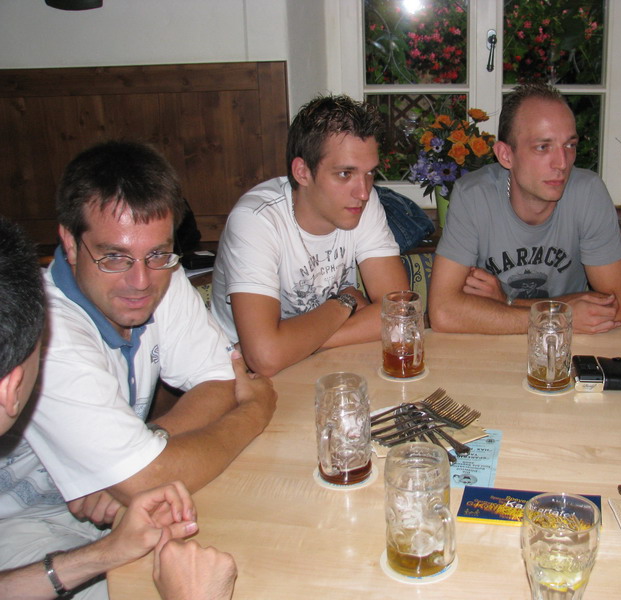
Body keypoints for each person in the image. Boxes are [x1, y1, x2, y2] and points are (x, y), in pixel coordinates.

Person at [0, 141, 276, 599]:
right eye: (114, 257)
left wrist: (141, 455)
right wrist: (254, 414)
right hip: (22, 530)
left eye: (157, 254)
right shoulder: (49, 332)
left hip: (117, 514)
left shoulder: (157, 274)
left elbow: (221, 380)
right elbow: (151, 477)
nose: (140, 282)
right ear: (69, 243)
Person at [211, 95, 409, 376]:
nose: (364, 192)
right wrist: (346, 303)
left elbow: (399, 314)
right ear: (302, 172)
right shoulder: (256, 220)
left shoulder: (362, 203)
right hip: (234, 374)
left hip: (316, 358)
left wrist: (289, 344)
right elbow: (264, 358)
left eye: (370, 173)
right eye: (345, 174)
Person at [428, 82, 621, 335]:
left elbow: (617, 308)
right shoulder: (473, 195)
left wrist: (506, 303)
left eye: (569, 145)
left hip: (565, 347)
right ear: (506, 155)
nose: (562, 163)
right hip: (493, 345)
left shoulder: (588, 193)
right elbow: (442, 312)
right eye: (543, 147)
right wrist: (558, 317)